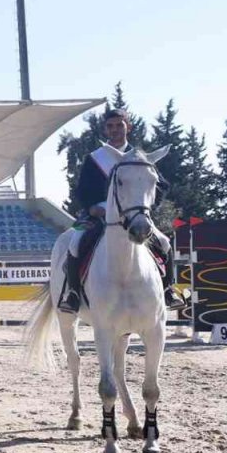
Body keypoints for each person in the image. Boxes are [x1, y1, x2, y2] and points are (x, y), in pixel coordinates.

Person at [59, 107, 183, 313]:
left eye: (119, 125)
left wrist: (146, 206)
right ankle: (72, 294)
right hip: (98, 213)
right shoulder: (95, 157)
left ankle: (169, 289)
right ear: (105, 130)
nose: (114, 129)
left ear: (128, 127)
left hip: (134, 215)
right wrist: (91, 207)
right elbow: (81, 189)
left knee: (164, 242)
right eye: (110, 126)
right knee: (74, 243)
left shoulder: (140, 157)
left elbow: (161, 185)